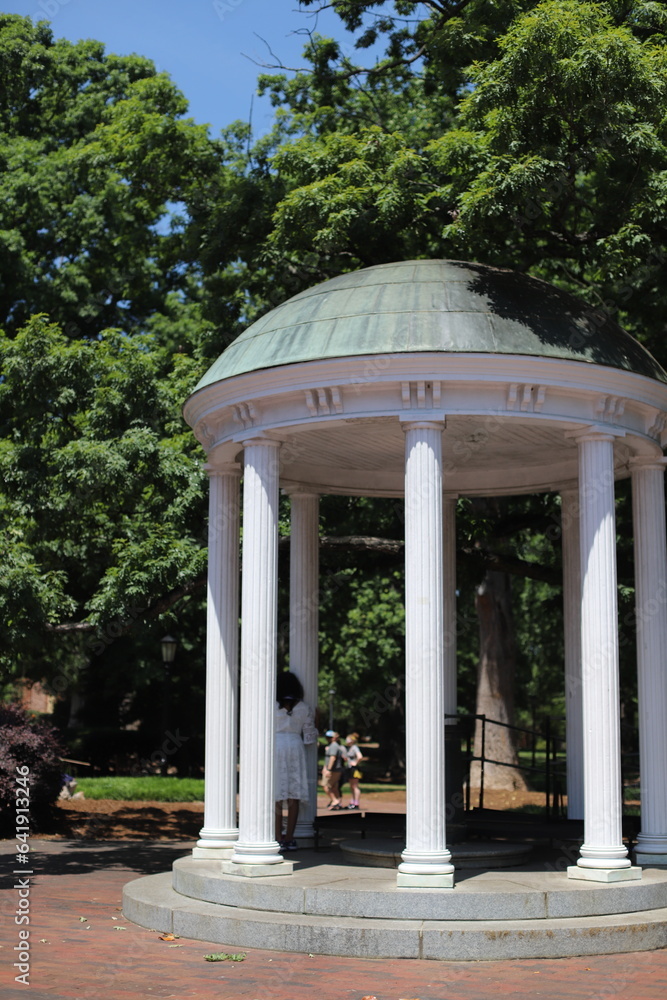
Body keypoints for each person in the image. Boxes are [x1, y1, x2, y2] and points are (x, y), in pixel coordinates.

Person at [275, 671, 315, 851]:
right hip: (295, 746)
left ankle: (277, 837)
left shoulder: (270, 706)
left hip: (275, 746)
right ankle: (289, 838)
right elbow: (309, 738)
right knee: (294, 795)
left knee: (276, 794)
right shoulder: (304, 708)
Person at [321, 730, 345, 809]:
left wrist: (328, 769)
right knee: (334, 787)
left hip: (334, 770)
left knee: (325, 785)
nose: (328, 739)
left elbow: (332, 758)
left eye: (330, 737)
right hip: (335, 769)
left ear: (334, 738)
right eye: (327, 737)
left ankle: (335, 801)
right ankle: (338, 802)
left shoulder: (334, 746)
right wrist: (325, 767)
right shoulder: (332, 745)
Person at [343, 733, 364, 809]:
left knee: (355, 786)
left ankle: (356, 803)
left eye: (348, 739)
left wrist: (355, 763)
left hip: (354, 769)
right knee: (352, 786)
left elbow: (360, 757)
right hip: (349, 768)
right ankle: (352, 802)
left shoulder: (355, 747)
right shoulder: (350, 748)